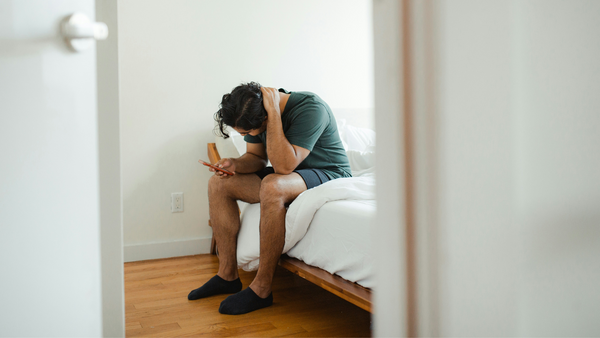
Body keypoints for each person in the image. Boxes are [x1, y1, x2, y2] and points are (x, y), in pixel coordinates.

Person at [188, 82, 351, 315]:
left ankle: (262, 288)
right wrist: (234, 164)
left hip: (329, 173)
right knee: (219, 184)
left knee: (273, 186)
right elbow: (256, 158)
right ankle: (227, 275)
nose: (244, 136)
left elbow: (283, 166)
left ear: (264, 118)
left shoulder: (310, 108)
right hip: (293, 175)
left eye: (245, 133)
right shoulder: (252, 109)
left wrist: (274, 114)